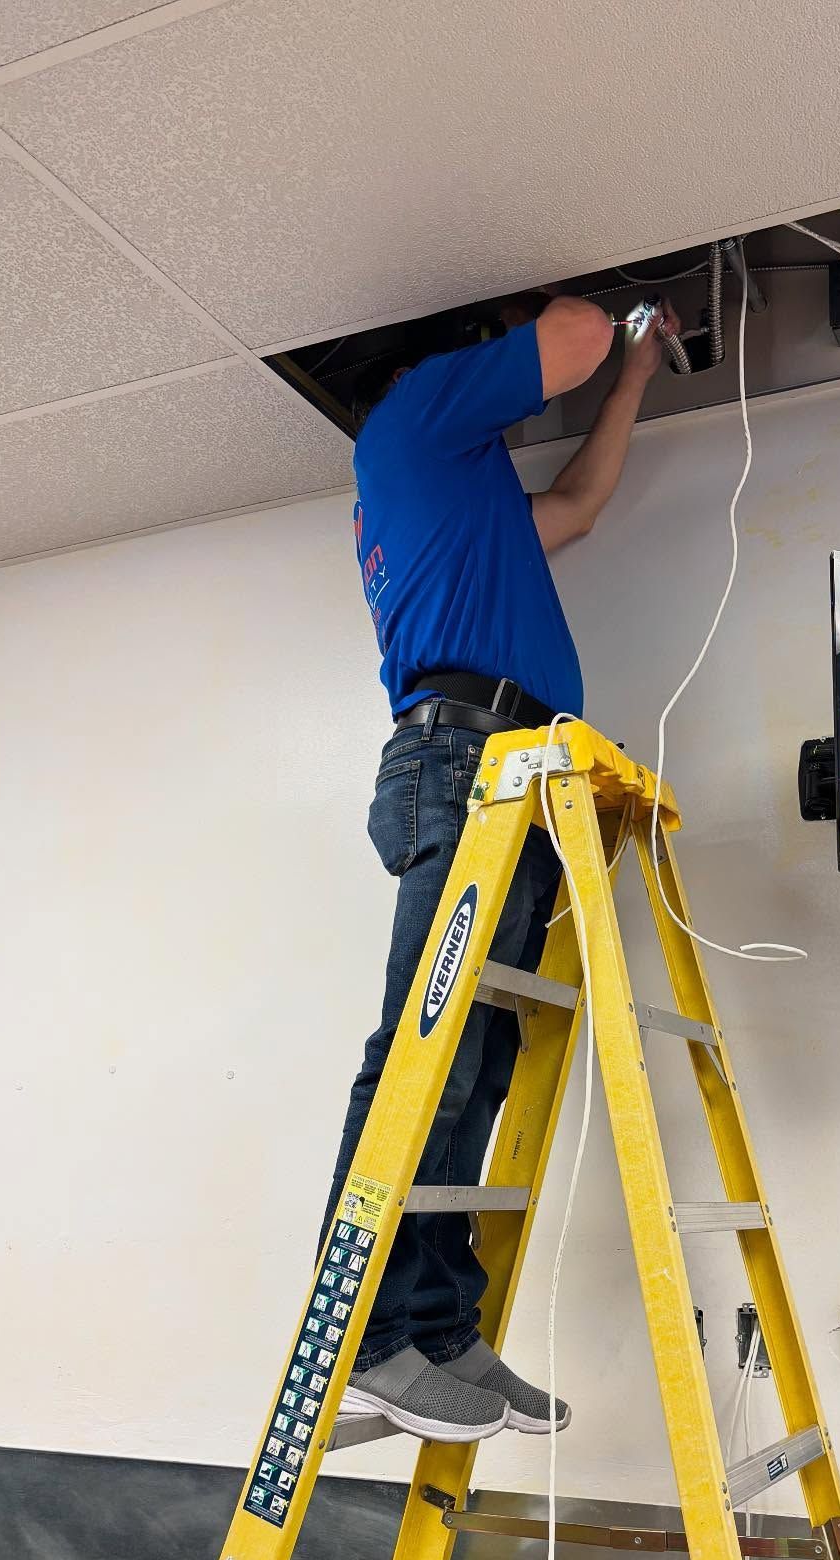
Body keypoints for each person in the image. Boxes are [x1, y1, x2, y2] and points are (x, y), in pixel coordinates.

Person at [320, 292, 679, 1444]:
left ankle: (438, 1328)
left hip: (512, 772)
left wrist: (633, 379)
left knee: (471, 1062)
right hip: (462, 761)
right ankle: (366, 1340)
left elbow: (577, 502)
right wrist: (612, 328)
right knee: (422, 1052)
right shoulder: (408, 421)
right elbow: (568, 335)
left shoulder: (457, 504)